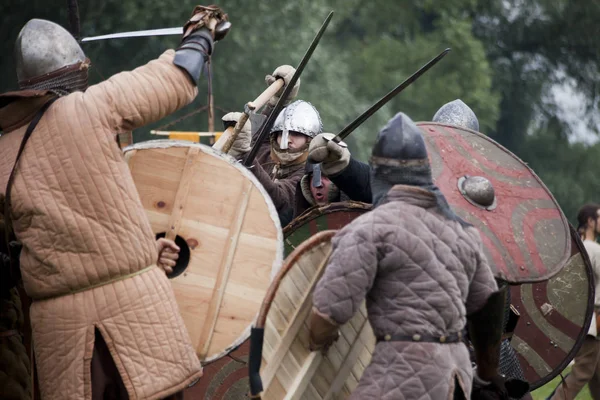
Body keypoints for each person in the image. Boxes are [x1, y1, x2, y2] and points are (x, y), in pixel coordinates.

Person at [0, 6, 229, 399]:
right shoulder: (89, 108)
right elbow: (178, 76)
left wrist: (135, 252)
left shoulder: (3, 150)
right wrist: (200, 34)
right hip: (133, 314)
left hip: (60, 331)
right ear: (73, 71)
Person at [307, 112, 510, 399]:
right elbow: (488, 308)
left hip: (401, 375)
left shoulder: (369, 230)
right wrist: (488, 374)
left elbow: (327, 315)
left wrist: (317, 339)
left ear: (379, 172)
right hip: (457, 377)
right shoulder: (465, 233)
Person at [223, 68, 323, 227]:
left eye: (296, 134)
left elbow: (279, 197)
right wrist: (279, 99)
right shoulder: (264, 150)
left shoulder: (307, 174)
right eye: (282, 133)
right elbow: (265, 129)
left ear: (309, 139)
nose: (287, 140)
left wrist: (245, 156)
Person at [549, 203, 600, 400]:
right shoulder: (592, 248)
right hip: (592, 320)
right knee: (583, 372)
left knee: (596, 373)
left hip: (585, 318)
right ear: (590, 221)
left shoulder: (578, 246)